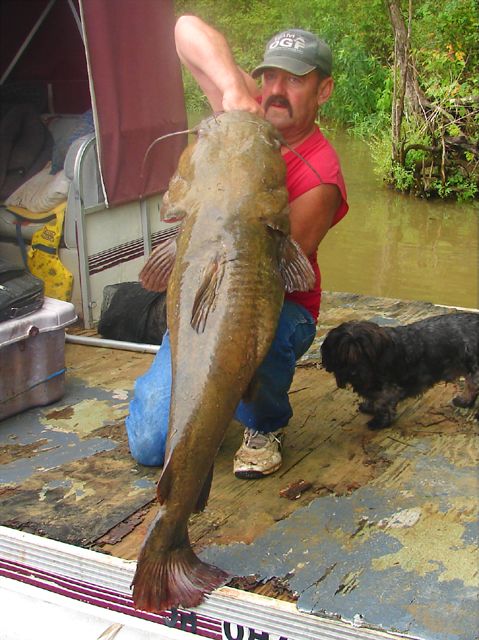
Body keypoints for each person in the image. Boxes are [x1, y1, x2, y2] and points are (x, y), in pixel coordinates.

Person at [126, 16, 349, 479]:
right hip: (201, 288)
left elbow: (279, 271)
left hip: (270, 302)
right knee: (150, 444)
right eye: (269, 75)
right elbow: (184, 27)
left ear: (323, 91)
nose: (276, 89)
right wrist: (231, 88)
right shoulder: (247, 108)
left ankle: (264, 423)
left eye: (295, 80)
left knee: (262, 348)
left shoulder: (321, 175)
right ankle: (178, 392)